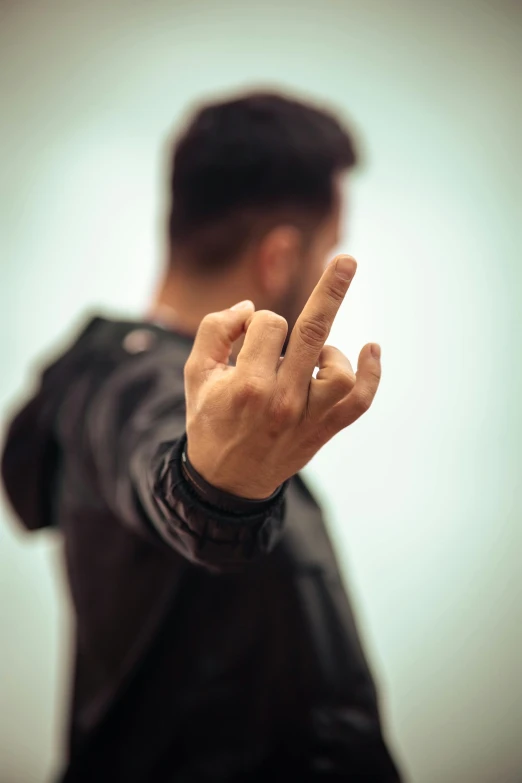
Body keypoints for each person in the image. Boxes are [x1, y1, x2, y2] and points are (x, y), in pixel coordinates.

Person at [1, 91, 403, 782]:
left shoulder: (120, 379)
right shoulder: (124, 383)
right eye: (326, 249)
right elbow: (158, 457)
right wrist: (215, 488)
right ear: (280, 256)